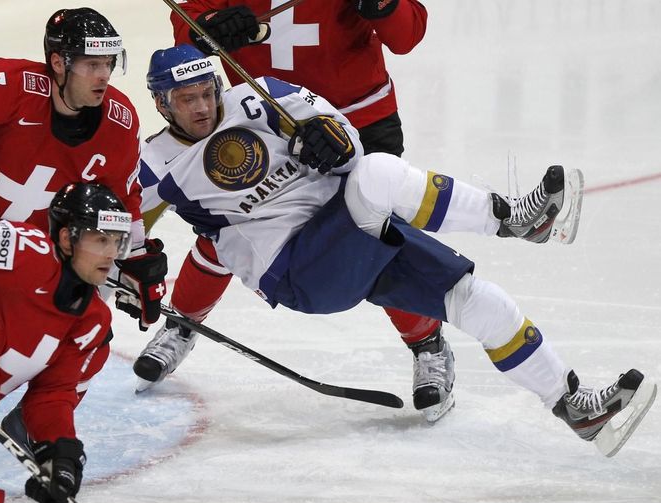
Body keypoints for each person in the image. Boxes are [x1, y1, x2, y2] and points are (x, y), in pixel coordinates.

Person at [144, 49, 655, 456]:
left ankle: (573, 407)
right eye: (185, 99)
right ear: (162, 104)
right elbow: (110, 222)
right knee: (378, 178)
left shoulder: (261, 99)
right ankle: (512, 219)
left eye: (206, 92)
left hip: (348, 233)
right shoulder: (154, 162)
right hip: (296, 269)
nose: (201, 106)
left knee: (478, 301)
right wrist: (115, 273)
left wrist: (335, 141)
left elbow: (343, 137)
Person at [157, 0, 456, 418]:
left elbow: (406, 36)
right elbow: (187, 28)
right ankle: (182, 324)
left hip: (359, 118)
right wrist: (209, 29)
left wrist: (381, 5)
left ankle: (427, 345)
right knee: (232, 227)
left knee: (379, 234)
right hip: (268, 122)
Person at [0, 6, 167, 334]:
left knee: (85, 332)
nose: (104, 75)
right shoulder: (6, 87)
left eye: (109, 63)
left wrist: (136, 257)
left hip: (38, 260)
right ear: (58, 63)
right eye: (92, 64)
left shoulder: (119, 123)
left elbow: (123, 197)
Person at [0, 183, 133, 503]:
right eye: (101, 239)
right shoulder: (24, 250)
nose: (111, 253)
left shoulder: (91, 320)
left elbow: (52, 393)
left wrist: (59, 455)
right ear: (67, 239)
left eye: (117, 241)